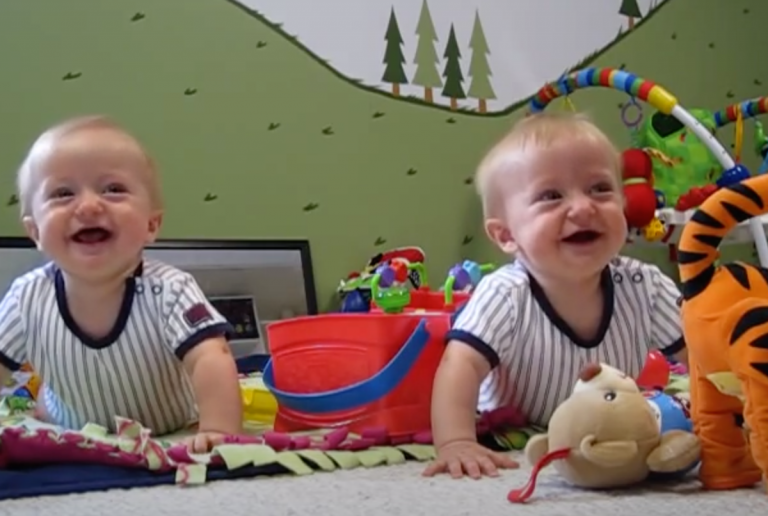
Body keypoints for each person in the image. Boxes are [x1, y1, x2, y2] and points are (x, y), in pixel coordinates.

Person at [423, 112, 687, 479]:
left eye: (600, 188)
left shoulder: (645, 285)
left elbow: (702, 354)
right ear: (506, 236)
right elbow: (460, 366)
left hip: (605, 427)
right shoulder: (504, 294)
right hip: (517, 424)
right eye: (551, 196)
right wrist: (456, 442)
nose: (582, 207)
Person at [0, 116, 243, 453]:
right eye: (62, 193)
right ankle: (49, 405)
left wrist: (218, 429)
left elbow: (210, 357)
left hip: (166, 422)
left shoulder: (171, 290)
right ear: (36, 232)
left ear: (151, 224)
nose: (87, 206)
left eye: (113, 189)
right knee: (46, 408)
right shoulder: (25, 299)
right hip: (69, 424)